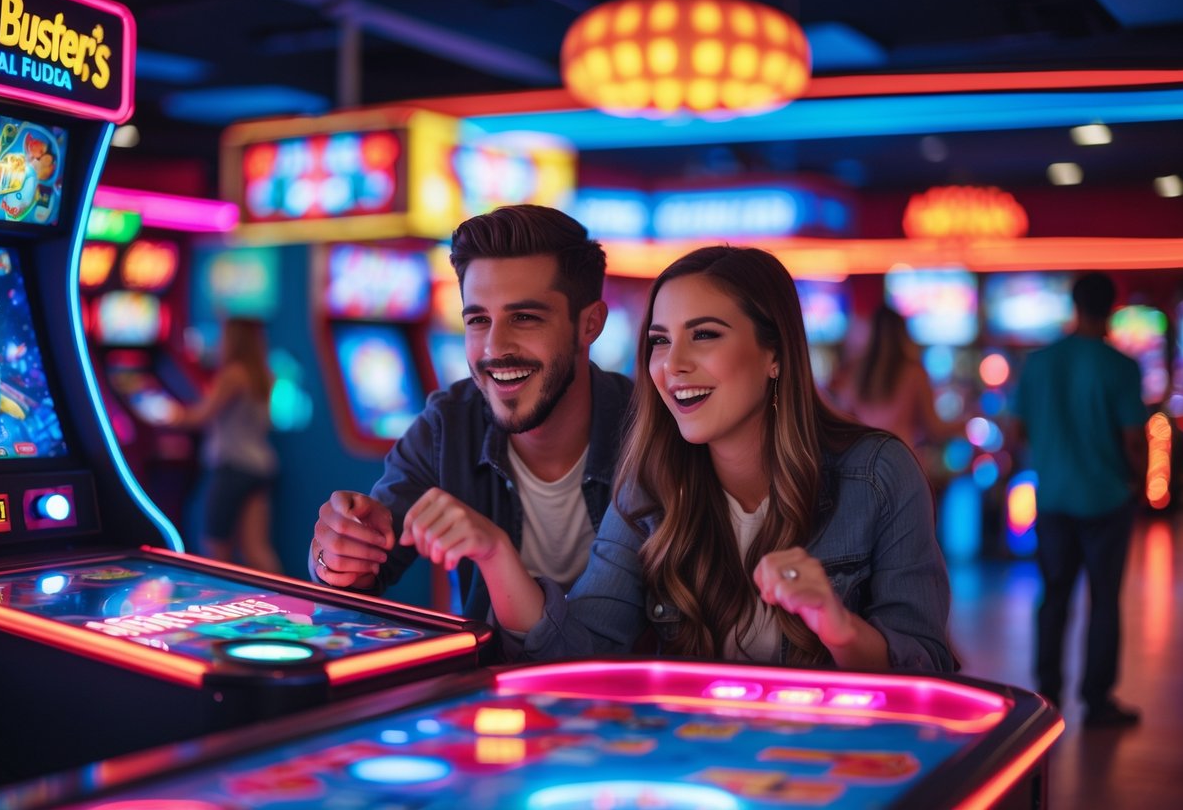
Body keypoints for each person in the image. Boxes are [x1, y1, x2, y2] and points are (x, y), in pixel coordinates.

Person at [403, 245, 955, 671]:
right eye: (660, 341)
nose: (672, 365)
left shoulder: (878, 473)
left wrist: (835, 627)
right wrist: (496, 555)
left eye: (705, 336)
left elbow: (926, 664)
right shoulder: (649, 483)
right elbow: (582, 652)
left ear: (775, 355)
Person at [309, 205, 633, 622]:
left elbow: (606, 643)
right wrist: (336, 554)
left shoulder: (649, 433)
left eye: (525, 317)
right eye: (478, 319)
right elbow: (359, 574)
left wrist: (493, 549)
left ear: (590, 325)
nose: (495, 348)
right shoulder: (448, 425)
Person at [1011, 272, 1147, 727]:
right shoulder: (1122, 367)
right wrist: (1138, 481)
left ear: (1073, 304)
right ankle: (1097, 697)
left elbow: (1018, 429)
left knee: (1053, 597)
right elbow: (1133, 439)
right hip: (1107, 499)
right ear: (1111, 307)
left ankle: (1046, 691)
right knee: (1104, 601)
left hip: (1053, 498)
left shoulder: (1040, 363)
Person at [172, 317, 281, 573]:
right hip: (261, 465)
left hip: (234, 467)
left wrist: (164, 413)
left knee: (215, 546)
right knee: (256, 548)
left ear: (233, 340)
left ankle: (222, 607)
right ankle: (287, 604)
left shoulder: (233, 374)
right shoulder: (263, 374)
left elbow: (201, 416)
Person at [834, 304, 963, 475]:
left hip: (864, 467)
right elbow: (935, 429)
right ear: (903, 334)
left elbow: (842, 421)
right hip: (903, 464)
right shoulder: (914, 372)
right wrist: (967, 423)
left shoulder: (855, 372)